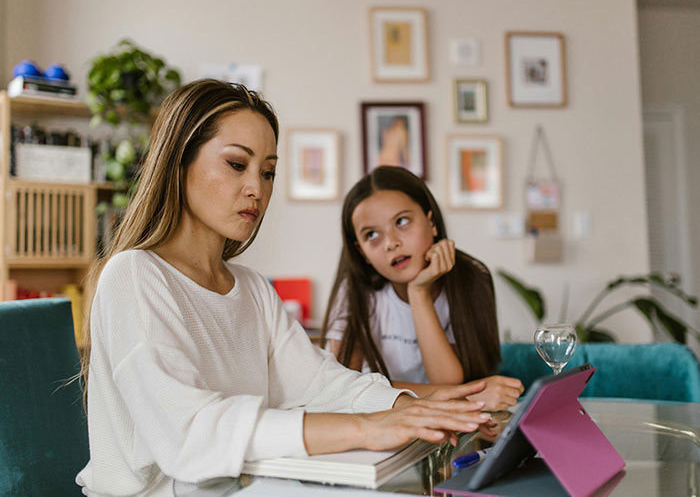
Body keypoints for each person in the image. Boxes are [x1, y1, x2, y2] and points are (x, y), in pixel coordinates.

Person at [76, 80, 493, 496]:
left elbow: (324, 383)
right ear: (179, 161)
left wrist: (414, 409)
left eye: (268, 171)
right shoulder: (133, 274)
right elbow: (190, 434)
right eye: (237, 164)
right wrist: (367, 427)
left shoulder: (252, 289)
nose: (257, 189)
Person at [321, 166, 523, 411]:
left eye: (402, 221)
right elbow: (345, 388)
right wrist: (465, 397)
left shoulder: (472, 277)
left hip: (452, 424)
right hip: (383, 421)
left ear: (432, 222)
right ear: (361, 251)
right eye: (372, 234)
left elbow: (447, 382)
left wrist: (419, 293)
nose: (391, 243)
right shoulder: (354, 290)